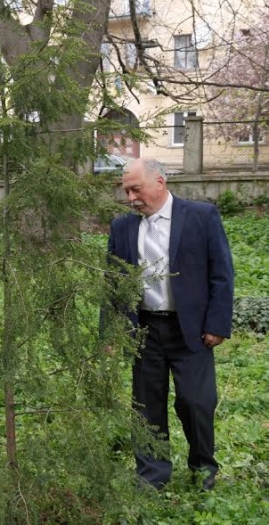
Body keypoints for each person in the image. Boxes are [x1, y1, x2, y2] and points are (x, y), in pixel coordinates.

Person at [107, 158, 234, 491]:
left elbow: (221, 273)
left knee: (196, 402)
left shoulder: (201, 217)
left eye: (136, 189)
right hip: (144, 329)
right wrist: (112, 331)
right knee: (146, 405)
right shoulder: (122, 227)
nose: (131, 197)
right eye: (126, 191)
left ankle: (203, 467)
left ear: (160, 182)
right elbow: (114, 283)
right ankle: (152, 475)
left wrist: (217, 323)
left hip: (190, 330)